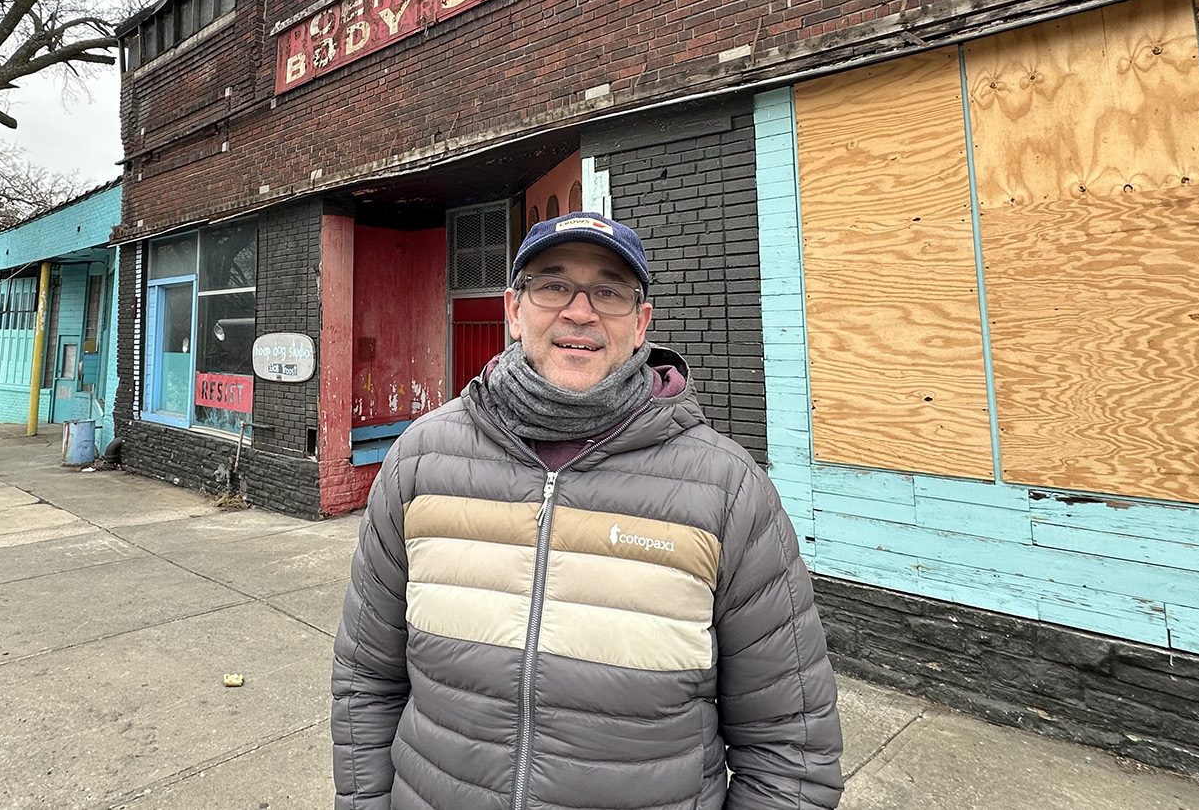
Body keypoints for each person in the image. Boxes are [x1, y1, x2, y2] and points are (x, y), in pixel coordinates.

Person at [332, 212, 844, 810]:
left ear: (641, 323)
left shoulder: (728, 491)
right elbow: (366, 682)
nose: (580, 311)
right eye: (552, 286)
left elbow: (791, 750)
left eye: (609, 291)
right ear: (514, 312)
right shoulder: (419, 462)